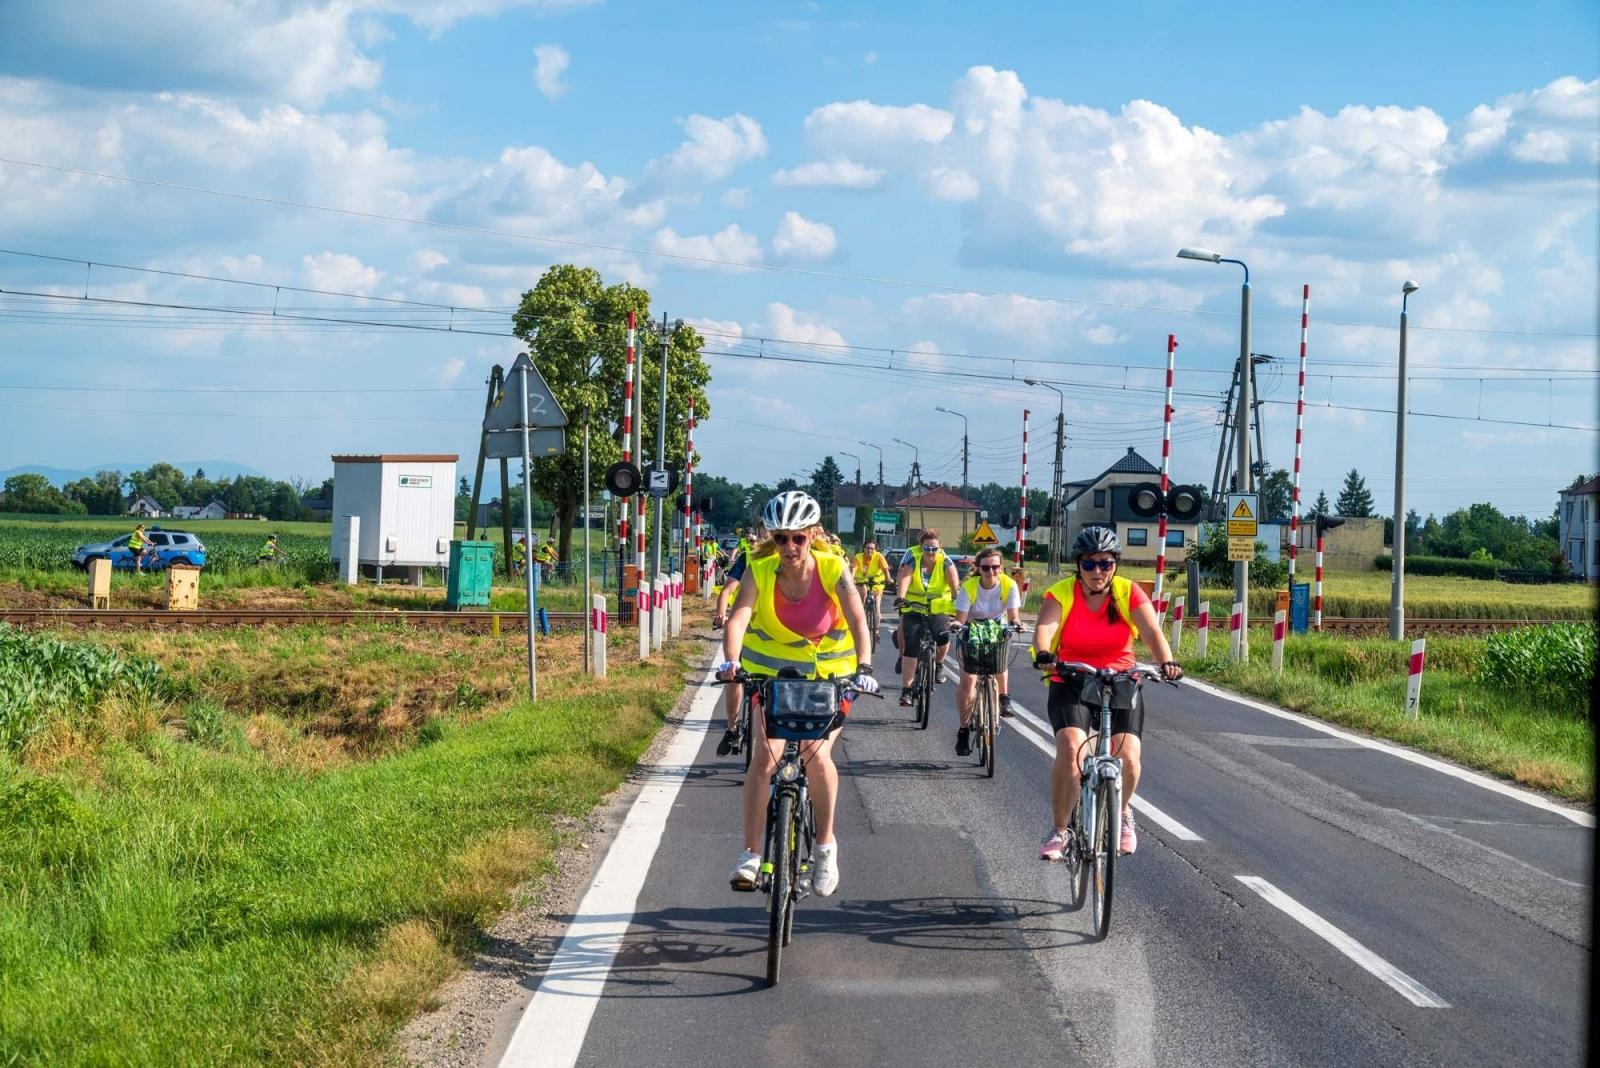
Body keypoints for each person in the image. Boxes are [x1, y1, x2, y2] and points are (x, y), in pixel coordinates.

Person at [718, 491, 877, 897]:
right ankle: (750, 854)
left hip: (831, 673)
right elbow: (741, 615)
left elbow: (858, 616)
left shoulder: (832, 566)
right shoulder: (760, 568)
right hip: (775, 674)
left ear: (812, 535)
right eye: (782, 538)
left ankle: (825, 846)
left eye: (798, 539)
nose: (790, 547)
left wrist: (864, 667)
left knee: (815, 751)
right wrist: (731, 660)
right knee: (763, 758)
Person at [1030, 526, 1182, 858]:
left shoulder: (1128, 593)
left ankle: (1123, 811)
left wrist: (1166, 661)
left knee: (1128, 756)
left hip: (1121, 679)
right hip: (1071, 677)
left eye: (1105, 563)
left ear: (1115, 564)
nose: (1097, 571)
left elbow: (1152, 631)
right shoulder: (1062, 592)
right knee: (1071, 749)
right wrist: (1045, 654)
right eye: (1089, 564)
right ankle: (1060, 831)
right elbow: (1045, 628)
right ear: (1078, 566)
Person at [951, 546, 1024, 755]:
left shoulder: (1009, 585)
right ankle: (964, 729)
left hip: (995, 629)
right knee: (968, 681)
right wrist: (957, 624)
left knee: (1000, 659)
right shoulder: (970, 587)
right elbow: (961, 618)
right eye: (986, 568)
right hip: (972, 631)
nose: (991, 572)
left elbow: (1013, 616)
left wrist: (1017, 623)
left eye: (995, 567)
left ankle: (1004, 698)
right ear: (979, 568)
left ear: (1001, 568)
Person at [894, 528, 959, 705]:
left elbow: (954, 583)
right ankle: (907, 690)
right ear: (921, 548)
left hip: (938, 607)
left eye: (934, 549)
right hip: (914, 606)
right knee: (912, 646)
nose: (930, 552)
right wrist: (901, 597)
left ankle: (938, 664)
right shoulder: (913, 559)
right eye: (927, 548)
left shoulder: (945, 562)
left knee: (943, 636)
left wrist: (957, 599)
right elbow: (905, 579)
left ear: (939, 548)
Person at [851, 538, 891, 621]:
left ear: (875, 549)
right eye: (867, 548)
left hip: (876, 583)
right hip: (862, 582)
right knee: (863, 595)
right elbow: (854, 568)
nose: (869, 550)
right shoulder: (858, 557)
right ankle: (860, 618)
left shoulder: (879, 556)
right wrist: (851, 578)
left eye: (872, 548)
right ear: (864, 548)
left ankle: (876, 629)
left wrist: (889, 578)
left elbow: (885, 569)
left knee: (877, 606)